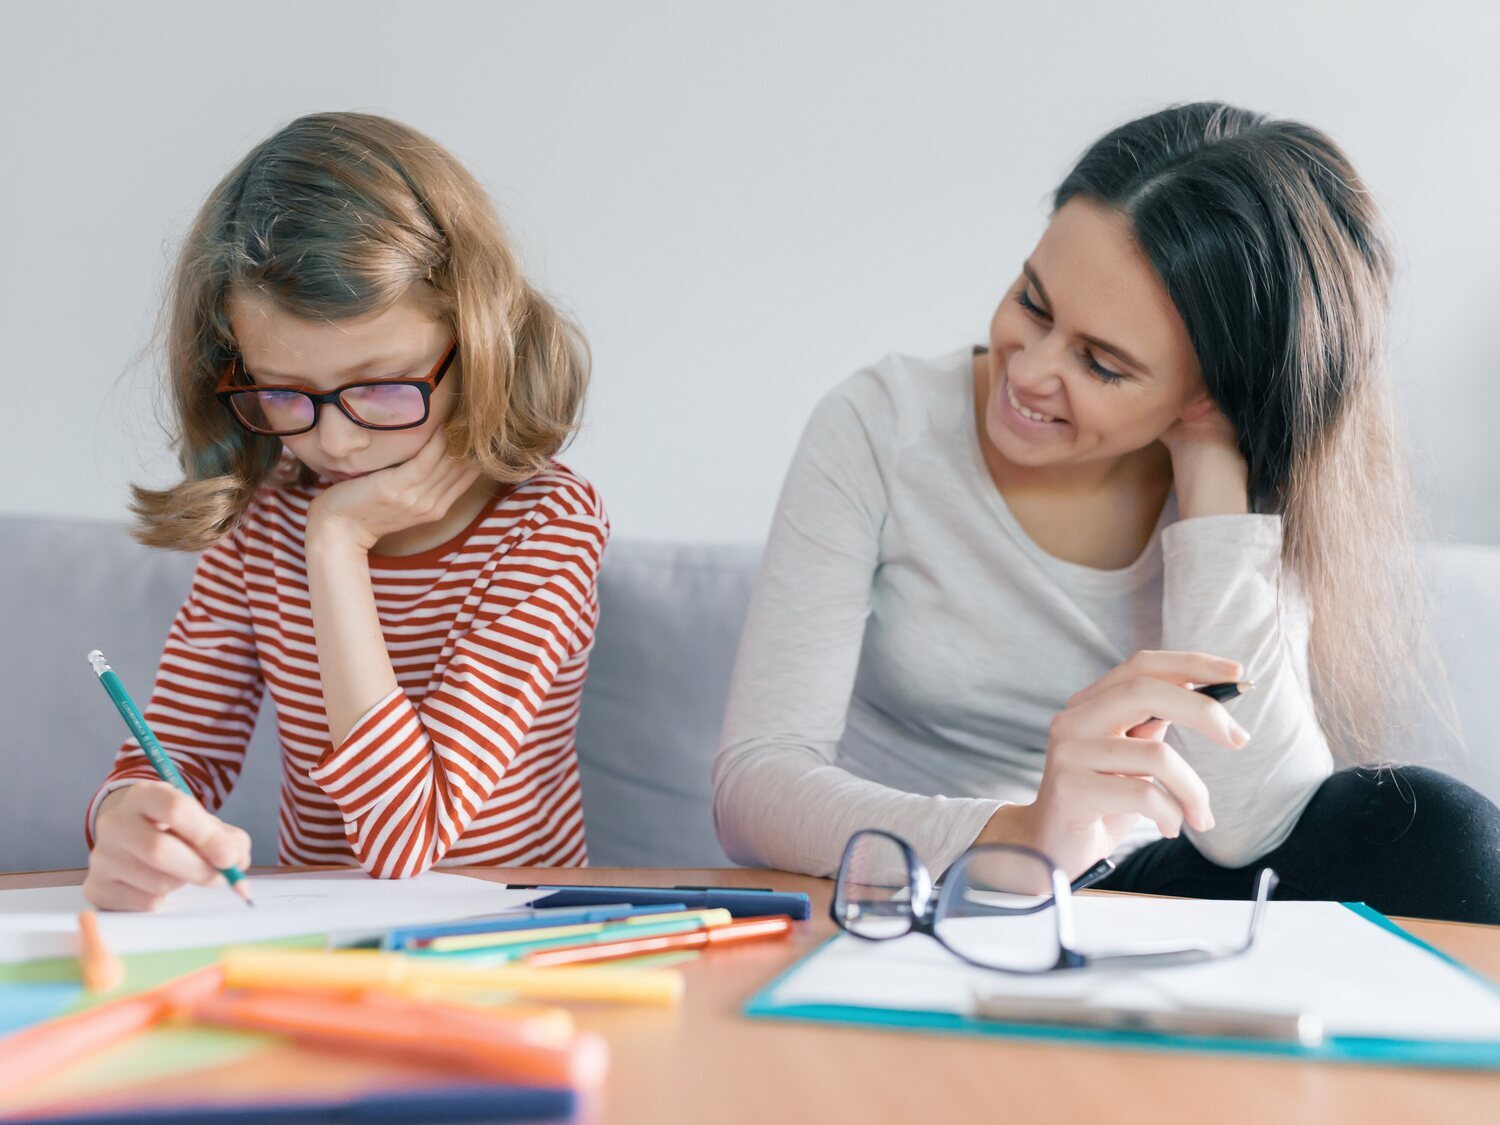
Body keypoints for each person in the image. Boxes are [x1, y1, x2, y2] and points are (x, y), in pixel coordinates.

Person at [714, 102, 1500, 923]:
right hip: (934, 887)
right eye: (1033, 301)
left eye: (1101, 363)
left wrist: (1208, 477)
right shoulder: (881, 424)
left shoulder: (1250, 487)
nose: (1030, 372)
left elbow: (1252, 828)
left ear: (1203, 393)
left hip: (1135, 893)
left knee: (1443, 835)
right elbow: (755, 780)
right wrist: (1021, 836)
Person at [83, 112, 607, 909]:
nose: (333, 440)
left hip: (511, 941)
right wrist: (126, 818)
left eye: (383, 386)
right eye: (283, 393)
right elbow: (173, 755)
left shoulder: (548, 525)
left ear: (477, 336)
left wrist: (336, 543)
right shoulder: (262, 523)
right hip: (324, 945)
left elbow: (406, 838)